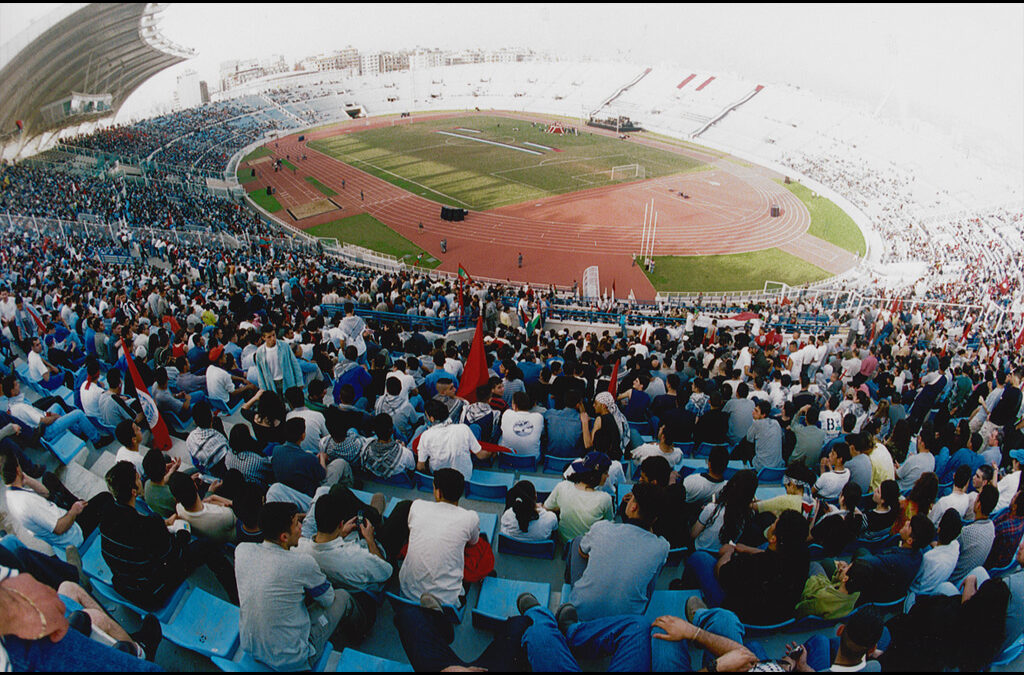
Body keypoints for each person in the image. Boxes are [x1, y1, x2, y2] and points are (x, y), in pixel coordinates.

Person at [235, 502, 374, 670]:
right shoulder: (302, 563)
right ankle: (361, 632)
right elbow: (328, 599)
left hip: (251, 647)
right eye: (296, 524)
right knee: (343, 596)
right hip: (293, 659)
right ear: (284, 537)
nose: (301, 527)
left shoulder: (242, 551)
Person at [99, 461, 238, 611]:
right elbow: (176, 556)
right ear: (133, 491)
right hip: (152, 592)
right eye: (137, 478)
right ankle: (236, 593)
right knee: (206, 546)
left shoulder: (106, 513)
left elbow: (135, 534)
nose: (140, 479)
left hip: (125, 585)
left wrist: (164, 525)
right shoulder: (150, 525)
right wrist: (182, 531)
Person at [685, 509, 811, 626]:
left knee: (700, 558)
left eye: (774, 523)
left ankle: (684, 587)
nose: (771, 525)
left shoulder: (754, 564)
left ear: (774, 538)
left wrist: (727, 552)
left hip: (740, 617)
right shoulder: (803, 557)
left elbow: (721, 572)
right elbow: (774, 558)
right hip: (779, 617)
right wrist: (748, 549)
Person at [565, 482, 670, 620]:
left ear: (633, 507)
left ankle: (568, 582)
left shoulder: (601, 528)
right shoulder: (662, 546)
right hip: (626, 621)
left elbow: (583, 553)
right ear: (655, 518)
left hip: (580, 612)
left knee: (578, 541)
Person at [399, 468, 480, 607]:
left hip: (407, 593)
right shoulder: (470, 517)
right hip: (446, 602)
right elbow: (474, 542)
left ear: (438, 492)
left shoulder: (417, 506)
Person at [295, 491, 393, 593]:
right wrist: (370, 539)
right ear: (341, 524)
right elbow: (386, 572)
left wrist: (341, 535)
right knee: (401, 507)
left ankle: (376, 513)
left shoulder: (299, 547)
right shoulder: (359, 557)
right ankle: (377, 516)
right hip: (368, 586)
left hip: (341, 585)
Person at [543, 452, 615, 542]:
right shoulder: (605, 499)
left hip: (563, 542)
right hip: (587, 547)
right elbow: (609, 525)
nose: (608, 475)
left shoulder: (562, 486)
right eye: (605, 473)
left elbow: (546, 508)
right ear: (597, 475)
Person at [416, 399, 492, 480]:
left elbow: (420, 466)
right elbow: (480, 455)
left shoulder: (425, 436)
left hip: (440, 479)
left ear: (431, 419)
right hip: (464, 478)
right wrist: (491, 453)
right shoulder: (463, 428)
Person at [690, 469, 759, 552]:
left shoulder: (711, 509)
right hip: (721, 554)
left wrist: (705, 514)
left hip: (700, 550)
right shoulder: (749, 514)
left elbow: (693, 535)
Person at [949, 484, 998, 585]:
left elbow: (948, 550)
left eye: (977, 499)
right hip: (969, 576)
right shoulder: (991, 527)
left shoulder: (967, 532)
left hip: (955, 579)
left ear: (978, 505)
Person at [167, 472, 236, 544]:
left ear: (176, 499)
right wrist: (218, 499)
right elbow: (241, 511)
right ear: (196, 486)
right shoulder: (224, 514)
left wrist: (210, 492)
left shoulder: (179, 509)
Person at [254, 325, 303, 395]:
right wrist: (263, 389)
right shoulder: (260, 352)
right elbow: (260, 373)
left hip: (287, 380)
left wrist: (299, 382)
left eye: (274, 335)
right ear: (263, 338)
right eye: (269, 337)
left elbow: (294, 364)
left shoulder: (284, 346)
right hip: (272, 383)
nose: (273, 338)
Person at [185, 401, 230, 477]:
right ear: (211, 418)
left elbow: (196, 462)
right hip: (222, 471)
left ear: (195, 421)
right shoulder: (220, 440)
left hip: (207, 471)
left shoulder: (190, 439)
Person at [499, 391, 544, 458]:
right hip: (531, 459)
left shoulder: (507, 413)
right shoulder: (538, 417)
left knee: (502, 436)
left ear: (515, 405)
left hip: (506, 457)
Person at [683, 444, 728, 508]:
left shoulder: (690, 481)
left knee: (700, 469)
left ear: (709, 464)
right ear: (726, 466)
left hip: (689, 510)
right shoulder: (728, 487)